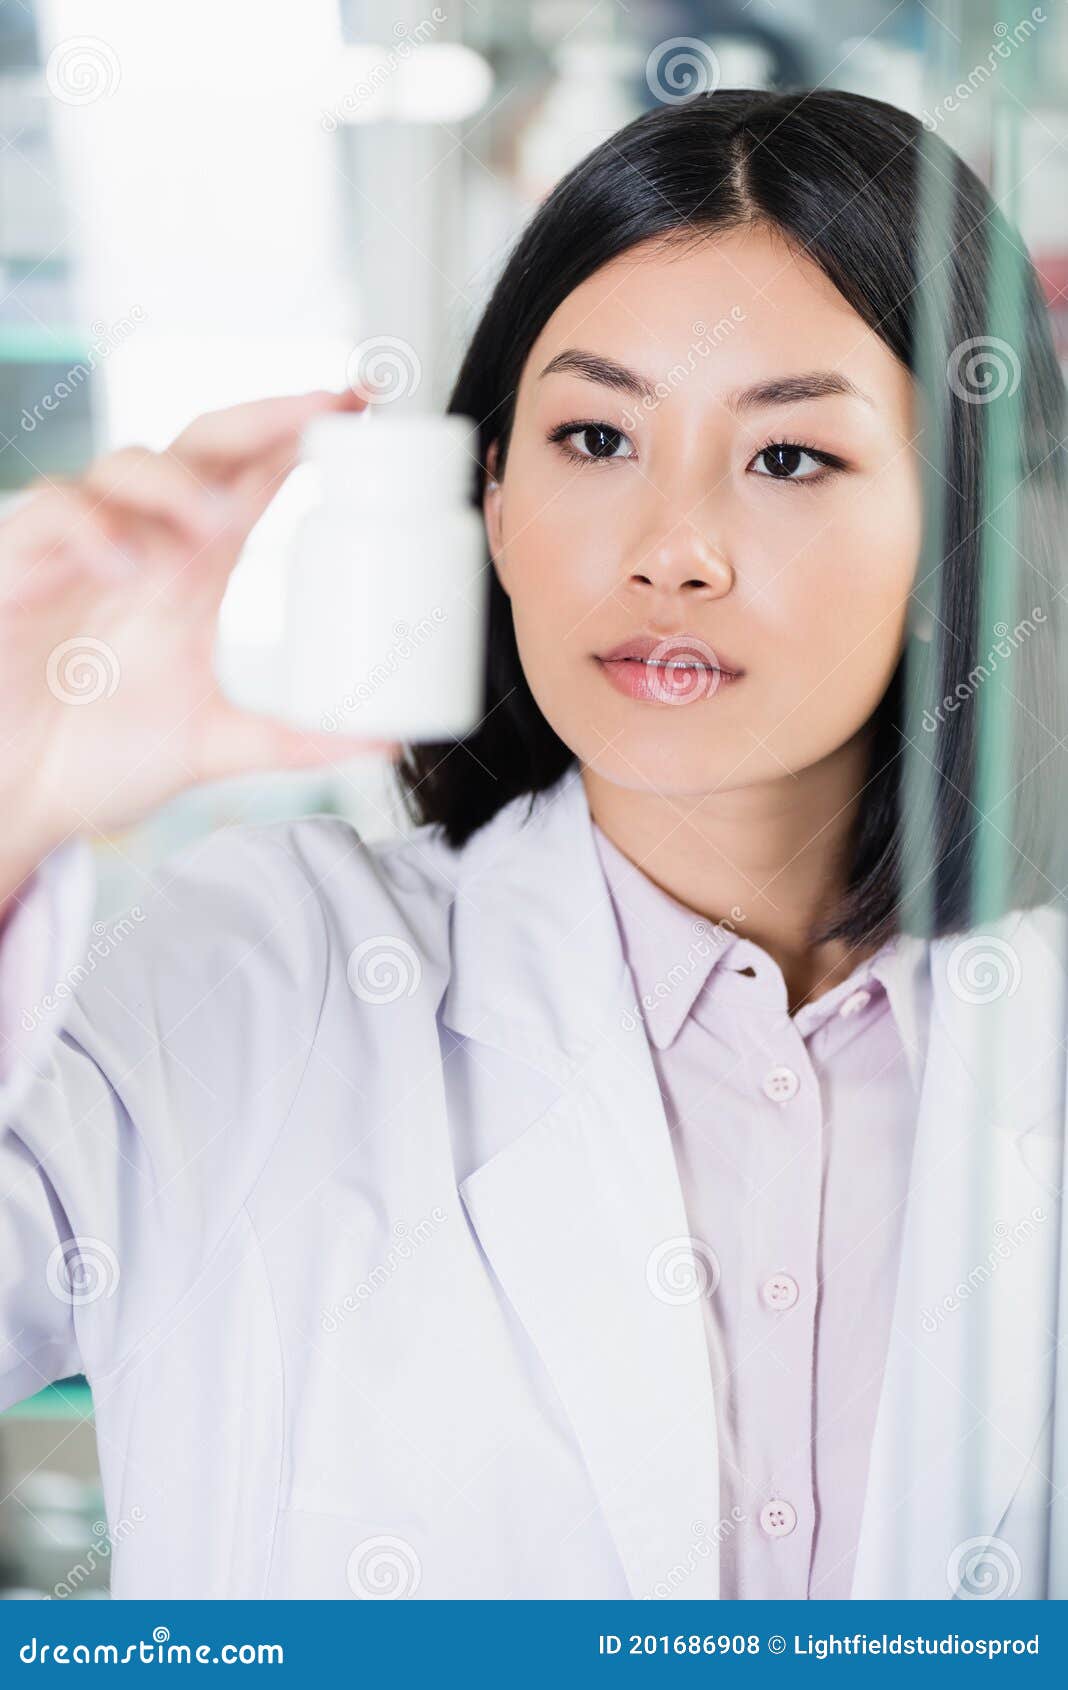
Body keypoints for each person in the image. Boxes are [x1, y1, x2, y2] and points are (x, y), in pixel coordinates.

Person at [1, 88, 1065, 1602]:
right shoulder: (254, 976)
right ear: (492, 498)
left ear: (967, 525)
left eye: (787, 459)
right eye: (593, 435)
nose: (669, 545)